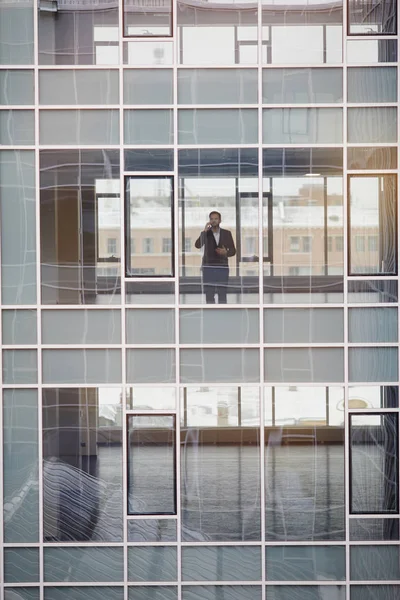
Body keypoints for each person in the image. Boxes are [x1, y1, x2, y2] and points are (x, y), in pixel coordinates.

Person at [195, 211, 236, 304]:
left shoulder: (227, 233)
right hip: (208, 267)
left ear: (220, 220)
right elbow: (197, 245)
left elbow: (233, 251)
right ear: (209, 221)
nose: (214, 221)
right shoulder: (206, 233)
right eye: (211, 219)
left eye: (216, 219)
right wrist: (204, 231)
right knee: (209, 293)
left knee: (222, 293)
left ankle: (223, 315)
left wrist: (226, 252)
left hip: (222, 267)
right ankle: (210, 315)